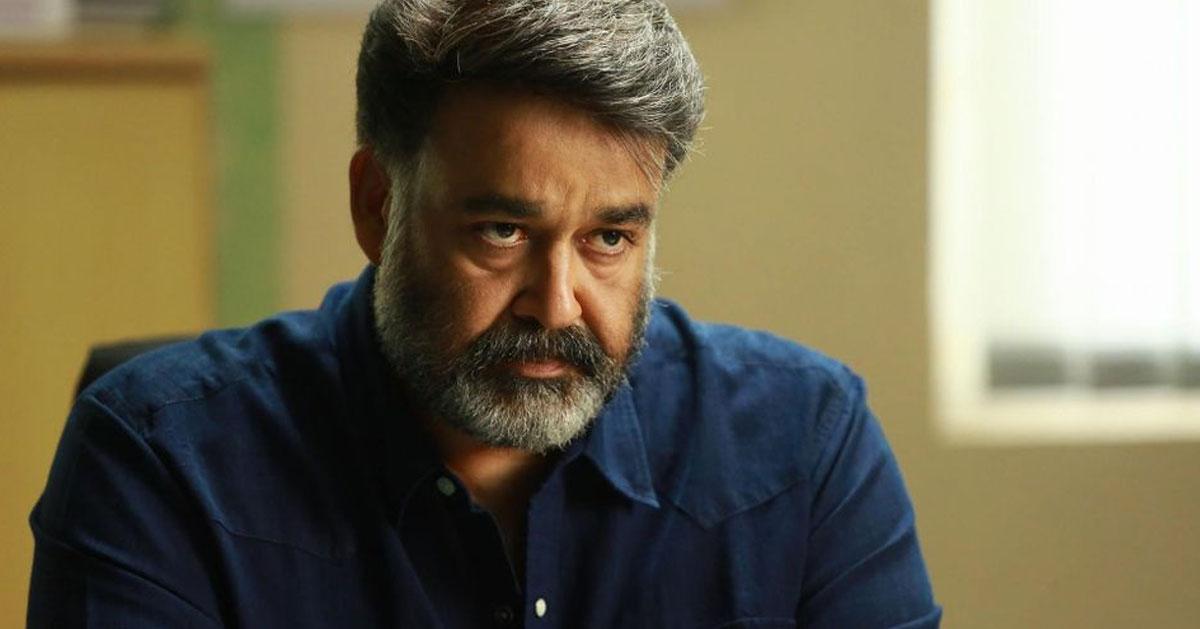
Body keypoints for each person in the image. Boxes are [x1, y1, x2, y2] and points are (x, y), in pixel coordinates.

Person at [28, 1, 941, 627]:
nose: (556, 303)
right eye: (502, 231)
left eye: (609, 239)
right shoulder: (162, 460)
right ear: (377, 204)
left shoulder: (804, 444)